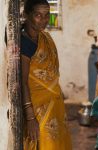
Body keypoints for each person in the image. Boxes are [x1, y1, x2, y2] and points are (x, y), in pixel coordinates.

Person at [21, 0, 72, 149]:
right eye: (38, 15)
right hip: (38, 110)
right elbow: (22, 82)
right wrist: (30, 118)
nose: (43, 20)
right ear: (26, 15)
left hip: (55, 105)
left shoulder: (45, 38)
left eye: (46, 15)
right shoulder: (25, 43)